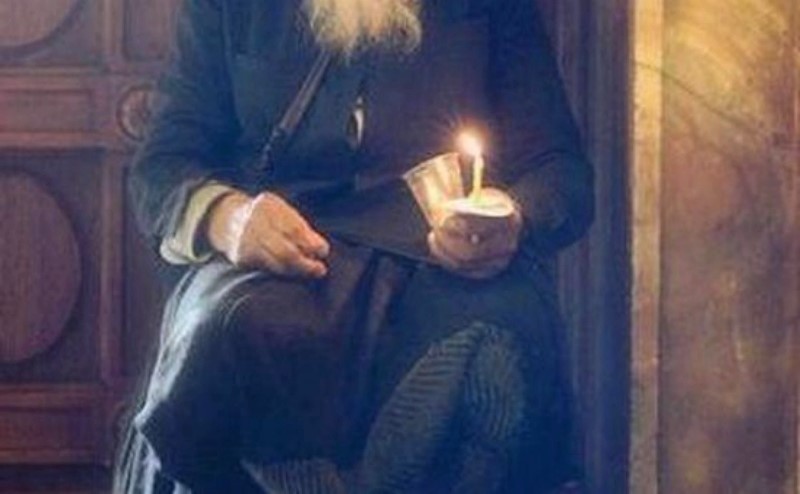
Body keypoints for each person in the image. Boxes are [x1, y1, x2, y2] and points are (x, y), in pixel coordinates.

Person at [115, 0, 594, 491]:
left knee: (503, 333)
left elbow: (561, 171)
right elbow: (163, 167)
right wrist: (228, 218)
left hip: (448, 255)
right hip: (280, 254)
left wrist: (511, 216)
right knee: (231, 332)